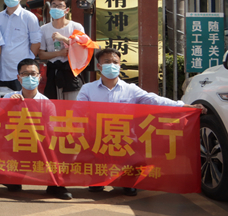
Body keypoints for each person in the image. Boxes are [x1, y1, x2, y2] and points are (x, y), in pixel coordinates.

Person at [78, 47, 205, 196]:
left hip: (125, 138)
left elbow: (155, 100)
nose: (112, 65)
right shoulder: (88, 89)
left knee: (136, 156)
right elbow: (77, 111)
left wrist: (183, 106)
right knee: (92, 154)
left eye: (115, 62)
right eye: (107, 62)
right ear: (99, 66)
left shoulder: (131, 89)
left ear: (120, 66)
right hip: (97, 137)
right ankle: (98, 179)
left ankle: (128, 180)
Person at [1, 58, 72, 200]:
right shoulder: (9, 97)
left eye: (33, 74)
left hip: (39, 143)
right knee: (13, 185)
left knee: (63, 145)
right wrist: (10, 105)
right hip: (14, 143)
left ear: (39, 77)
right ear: (19, 78)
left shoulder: (46, 103)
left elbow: (52, 130)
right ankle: (11, 178)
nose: (30, 77)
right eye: (25, 74)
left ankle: (56, 185)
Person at [37, 0, 84, 100]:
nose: (56, 8)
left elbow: (82, 47)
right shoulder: (44, 29)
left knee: (73, 104)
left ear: (67, 10)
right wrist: (59, 53)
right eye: (53, 5)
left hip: (71, 72)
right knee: (54, 104)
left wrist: (64, 39)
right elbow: (42, 54)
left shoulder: (76, 27)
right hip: (53, 72)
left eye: (60, 6)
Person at [0, 0, 40, 91]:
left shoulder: (29, 17)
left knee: (20, 101)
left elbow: (36, 42)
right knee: (3, 101)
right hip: (2, 71)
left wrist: (28, 63)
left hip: (21, 74)